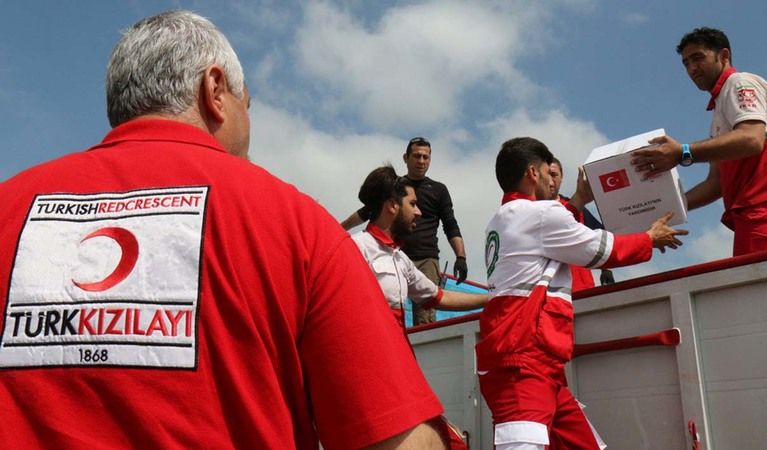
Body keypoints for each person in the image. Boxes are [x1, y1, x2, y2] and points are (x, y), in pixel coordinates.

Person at [0, 10, 451, 449]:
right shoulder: (296, 225)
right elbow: (397, 439)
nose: (249, 124)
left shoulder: (8, 206)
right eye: (246, 105)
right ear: (214, 90)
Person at [478, 137, 687, 449]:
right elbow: (600, 249)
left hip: (532, 364)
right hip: (523, 363)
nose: (552, 181)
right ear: (532, 173)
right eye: (548, 172)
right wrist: (649, 238)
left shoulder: (500, 221)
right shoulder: (540, 214)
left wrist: (579, 199)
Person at [631, 27, 767, 256]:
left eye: (698, 58)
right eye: (686, 63)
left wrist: (683, 153)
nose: (692, 68)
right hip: (753, 216)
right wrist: (666, 210)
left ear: (724, 56)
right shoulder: (720, 110)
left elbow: (752, 139)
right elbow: (716, 183)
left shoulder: (740, 83)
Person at [342, 137, 468, 325]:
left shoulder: (438, 190)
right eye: (417, 156)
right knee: (382, 307)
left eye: (426, 157)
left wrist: (461, 257)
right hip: (393, 254)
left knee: (425, 322)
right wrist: (338, 230)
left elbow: (450, 224)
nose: (421, 161)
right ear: (405, 158)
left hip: (426, 259)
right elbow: (367, 211)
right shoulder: (396, 187)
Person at [351, 165, 488, 329]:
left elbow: (439, 297)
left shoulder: (401, 259)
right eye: (413, 204)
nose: (418, 212)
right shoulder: (356, 247)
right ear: (393, 205)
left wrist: (493, 298)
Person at [549, 158, 615, 289]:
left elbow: (603, 238)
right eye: (547, 175)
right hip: (547, 292)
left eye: (554, 174)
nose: (550, 180)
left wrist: (606, 269)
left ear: (561, 178)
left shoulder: (578, 209)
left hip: (582, 288)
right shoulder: (530, 210)